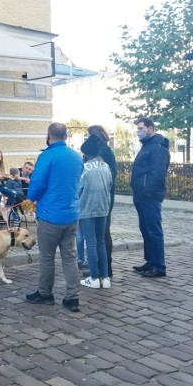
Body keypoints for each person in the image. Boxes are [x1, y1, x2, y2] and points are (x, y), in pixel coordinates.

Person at [25, 122, 83, 312]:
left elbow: (38, 183)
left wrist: (30, 198)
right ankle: (72, 297)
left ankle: (45, 293)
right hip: (71, 213)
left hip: (50, 214)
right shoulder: (76, 156)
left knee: (47, 256)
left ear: (49, 135)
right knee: (69, 256)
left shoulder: (47, 156)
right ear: (65, 136)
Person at [130, 117, 170, 278]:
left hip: (150, 196)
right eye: (138, 128)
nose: (139, 131)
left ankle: (159, 266)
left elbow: (158, 173)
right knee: (146, 229)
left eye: (141, 128)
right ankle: (151, 261)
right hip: (141, 194)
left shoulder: (158, 147)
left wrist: (147, 191)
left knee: (154, 230)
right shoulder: (147, 146)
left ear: (150, 128)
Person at [78, 136, 113, 289]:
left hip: (87, 208)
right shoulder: (106, 166)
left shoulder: (85, 168)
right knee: (101, 242)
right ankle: (105, 278)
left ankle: (93, 277)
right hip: (103, 208)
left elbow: (78, 189)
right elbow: (111, 185)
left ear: (86, 153)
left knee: (90, 243)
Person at [88, 125, 117, 277]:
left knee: (102, 233)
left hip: (102, 197)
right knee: (102, 233)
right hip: (105, 196)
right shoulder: (104, 151)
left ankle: (104, 267)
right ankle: (103, 266)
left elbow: (109, 176)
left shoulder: (103, 152)